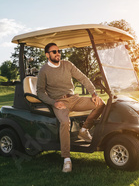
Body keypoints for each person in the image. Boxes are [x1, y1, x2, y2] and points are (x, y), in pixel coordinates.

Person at [37, 43, 105, 173]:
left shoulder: (67, 65)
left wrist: (94, 93)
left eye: (59, 51)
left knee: (100, 103)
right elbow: (40, 92)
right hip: (60, 102)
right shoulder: (43, 70)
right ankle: (66, 159)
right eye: (54, 51)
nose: (58, 53)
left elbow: (83, 78)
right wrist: (53, 103)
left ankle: (84, 130)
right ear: (47, 55)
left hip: (74, 98)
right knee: (64, 122)